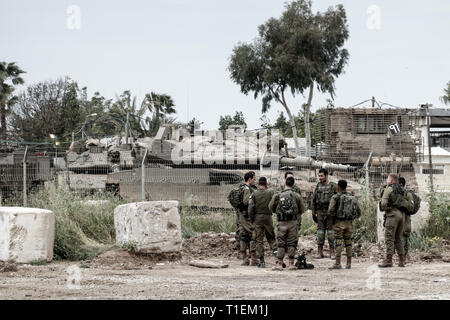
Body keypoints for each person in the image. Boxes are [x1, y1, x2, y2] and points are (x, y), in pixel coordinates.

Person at [269, 176, 305, 271]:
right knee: (292, 243)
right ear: (293, 184)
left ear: (285, 183)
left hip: (281, 222)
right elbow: (302, 209)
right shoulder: (297, 195)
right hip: (293, 222)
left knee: (280, 243)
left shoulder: (278, 195)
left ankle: (279, 264)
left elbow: (271, 207)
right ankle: (291, 264)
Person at [378, 174, 413, 268]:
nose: (387, 181)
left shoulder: (389, 189)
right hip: (402, 216)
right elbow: (410, 205)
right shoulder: (404, 191)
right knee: (399, 238)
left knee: (389, 237)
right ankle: (401, 261)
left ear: (392, 181)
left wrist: (387, 209)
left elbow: (383, 203)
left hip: (392, 214)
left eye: (388, 179)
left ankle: (389, 260)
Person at [327, 180, 361, 269]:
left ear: (338, 187)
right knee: (348, 242)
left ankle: (338, 263)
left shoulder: (335, 197)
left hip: (339, 222)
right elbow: (359, 212)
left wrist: (333, 218)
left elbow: (330, 210)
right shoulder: (352, 197)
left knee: (338, 242)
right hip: (349, 223)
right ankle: (348, 263)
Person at [248, 177, 277, 268]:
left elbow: (251, 208)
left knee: (259, 240)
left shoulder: (254, 193)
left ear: (258, 183)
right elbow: (274, 204)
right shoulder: (270, 192)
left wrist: (251, 218)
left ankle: (262, 261)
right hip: (268, 218)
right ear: (266, 183)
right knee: (271, 238)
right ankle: (277, 257)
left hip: (257, 218)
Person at [311, 168, 338, 259]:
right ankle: (319, 251)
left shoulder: (333, 186)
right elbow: (313, 200)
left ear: (326, 176)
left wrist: (336, 212)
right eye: (319, 176)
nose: (320, 178)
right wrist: (313, 213)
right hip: (320, 212)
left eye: (322, 176)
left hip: (330, 213)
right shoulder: (317, 186)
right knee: (320, 232)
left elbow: (338, 199)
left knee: (331, 232)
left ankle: (332, 251)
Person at [238, 171, 258, 266]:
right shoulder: (247, 189)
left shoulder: (240, 187)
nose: (255, 180)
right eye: (254, 179)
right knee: (253, 235)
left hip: (241, 217)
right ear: (249, 179)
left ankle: (244, 259)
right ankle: (253, 258)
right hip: (247, 216)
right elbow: (246, 202)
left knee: (243, 235)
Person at [398, 177, 415, 263]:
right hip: (396, 220)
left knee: (404, 238)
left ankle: (403, 258)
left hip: (405, 219)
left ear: (401, 184)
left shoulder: (408, 194)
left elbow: (411, 208)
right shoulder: (394, 194)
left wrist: (403, 202)